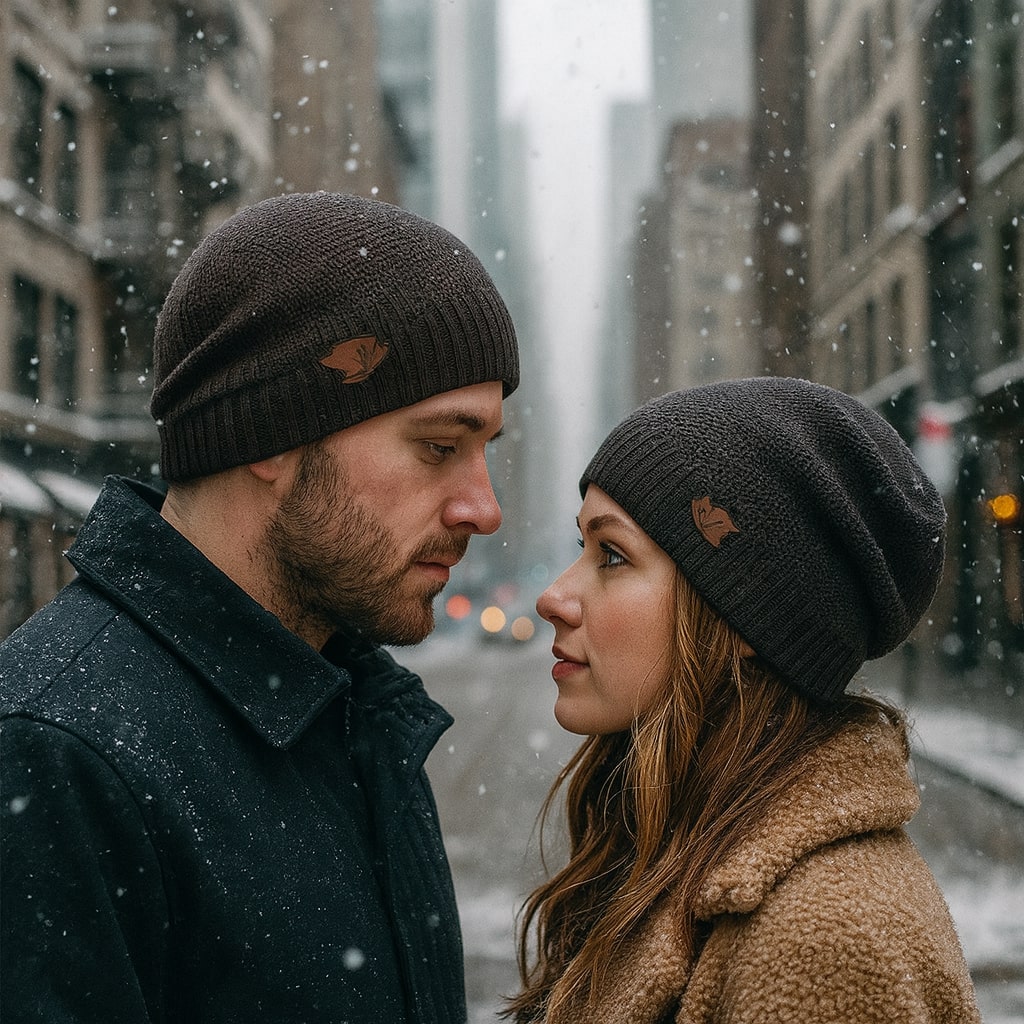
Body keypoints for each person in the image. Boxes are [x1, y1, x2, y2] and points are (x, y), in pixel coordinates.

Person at [0, 191, 519, 1023]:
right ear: (275, 433)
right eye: (438, 448)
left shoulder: (357, 712)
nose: (482, 509)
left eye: (484, 451)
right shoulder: (54, 756)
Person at [508, 377, 981, 1024]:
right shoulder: (675, 845)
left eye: (612, 555)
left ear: (743, 614)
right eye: (580, 548)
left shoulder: (827, 938)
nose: (554, 597)